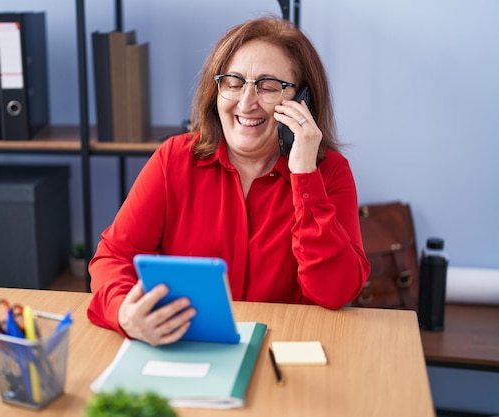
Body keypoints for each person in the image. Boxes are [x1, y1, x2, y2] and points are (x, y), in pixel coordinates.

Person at [87, 15, 371, 345]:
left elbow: (335, 291)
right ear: (216, 90)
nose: (246, 102)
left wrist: (305, 177)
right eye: (233, 82)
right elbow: (113, 258)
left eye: (268, 86)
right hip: (186, 346)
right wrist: (124, 312)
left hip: (283, 353)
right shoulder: (174, 159)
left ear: (301, 101)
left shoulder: (329, 173)